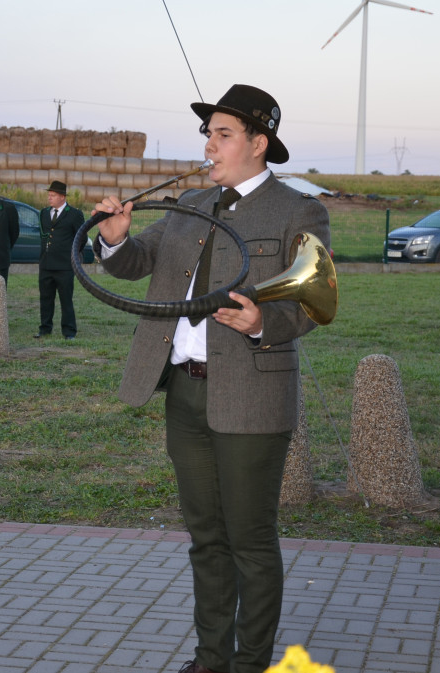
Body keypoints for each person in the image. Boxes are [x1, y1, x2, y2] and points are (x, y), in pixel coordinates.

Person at [92, 84, 331, 673]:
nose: (210, 143)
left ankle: (251, 664)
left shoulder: (298, 209)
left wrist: (260, 322)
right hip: (185, 393)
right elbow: (136, 262)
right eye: (208, 133)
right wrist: (114, 236)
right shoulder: (191, 203)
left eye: (223, 133)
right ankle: (210, 661)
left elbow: (315, 299)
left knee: (250, 539)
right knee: (206, 539)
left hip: (253, 396)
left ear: (259, 142)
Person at [36, 180, 84, 340]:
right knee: (45, 298)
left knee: (66, 299)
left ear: (62, 197)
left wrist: (71, 253)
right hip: (46, 263)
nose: (49, 198)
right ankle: (44, 329)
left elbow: (81, 237)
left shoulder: (74, 214)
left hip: (64, 265)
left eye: (53, 195)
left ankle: (69, 331)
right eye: (49, 195)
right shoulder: (44, 213)